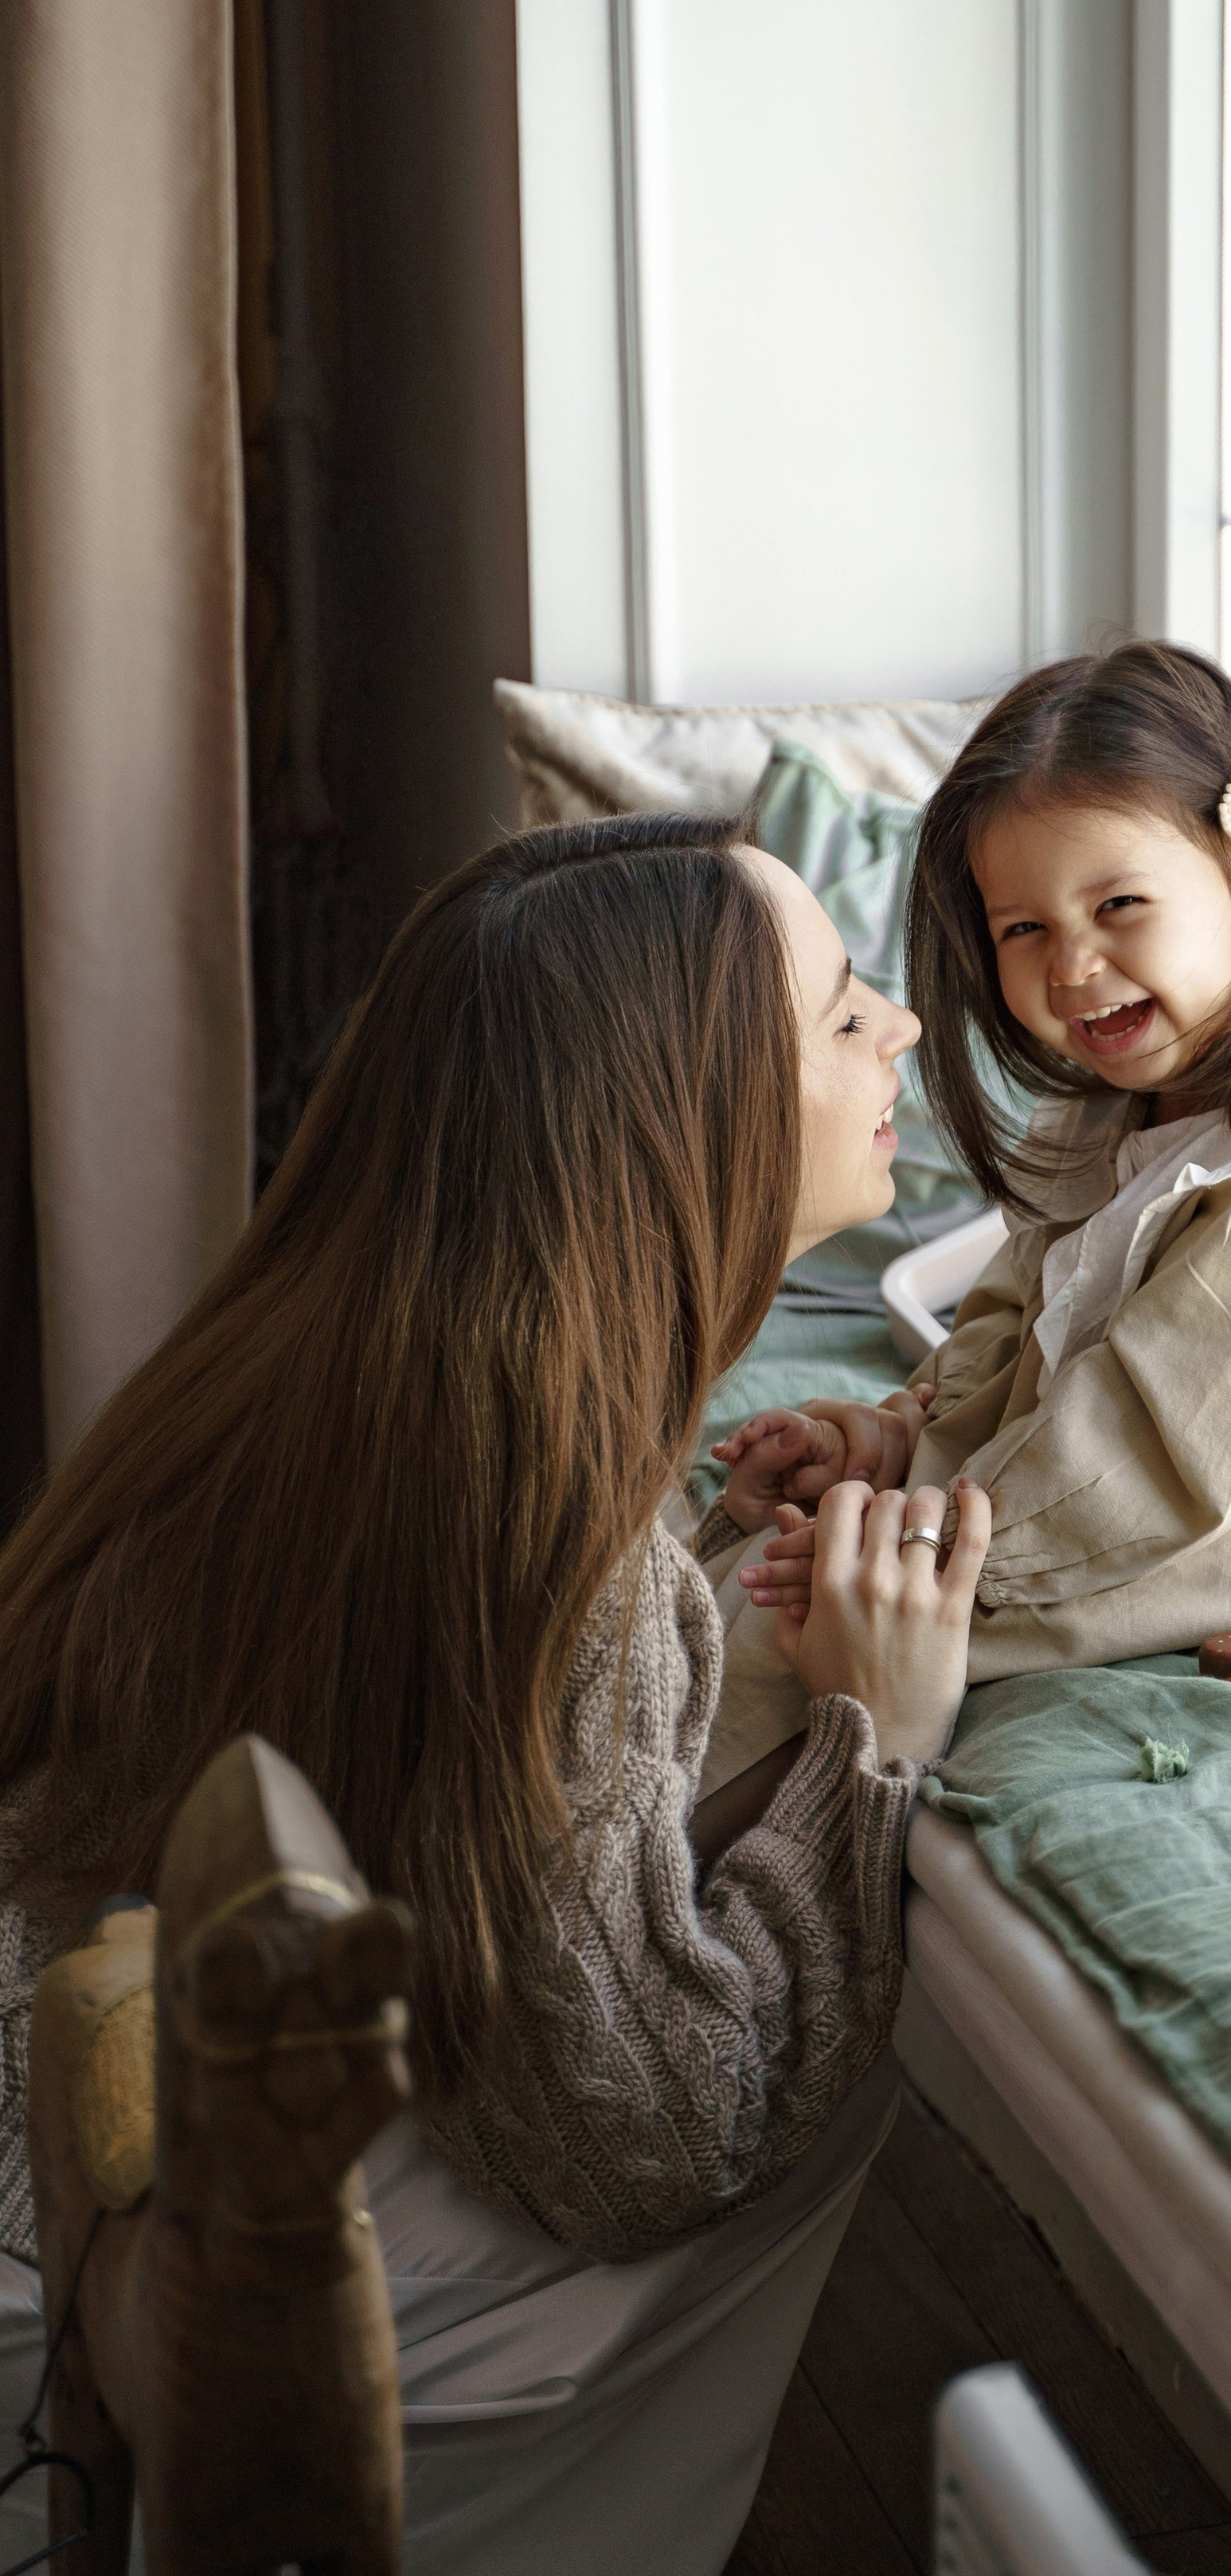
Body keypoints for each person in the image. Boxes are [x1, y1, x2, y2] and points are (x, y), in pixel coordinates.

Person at [0, 814, 990, 2576]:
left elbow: (454, 1760)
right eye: (843, 1016)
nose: (902, 1031)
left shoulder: (324, 1342)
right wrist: (875, 1748)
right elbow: (642, 2139)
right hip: (107, 2300)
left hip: (62, 2108)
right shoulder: (534, 1519)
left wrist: (696, 1566)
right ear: (682, 1123)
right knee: (824, 2067)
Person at [704, 641, 1231, 1793]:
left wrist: (927, 1553)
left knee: (797, 1642)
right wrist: (901, 1439)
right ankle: (617, 1805)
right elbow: (1007, 1344)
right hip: (1069, 1505)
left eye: (1119, 905)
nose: (1074, 969)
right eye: (1025, 930)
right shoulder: (1110, 1120)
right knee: (760, 1574)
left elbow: (1148, 1465)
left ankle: (649, 1878)